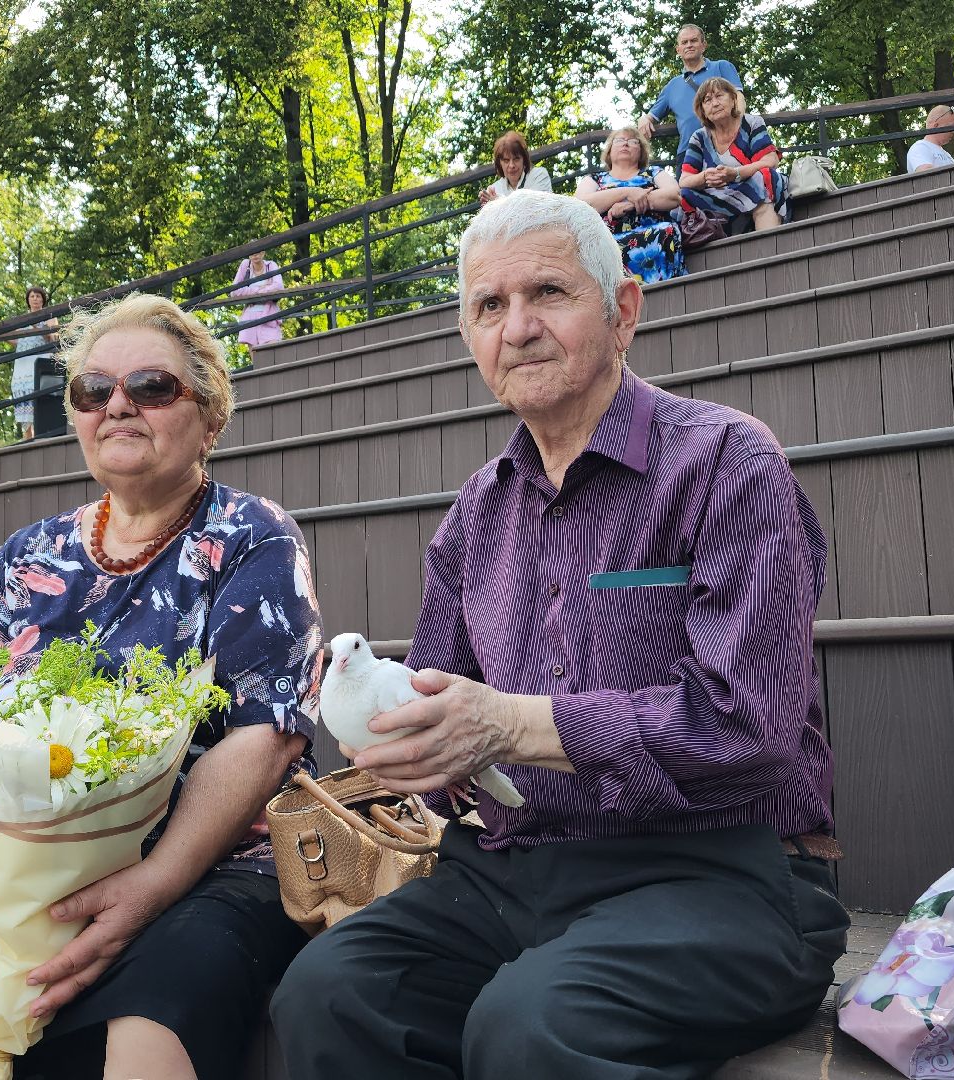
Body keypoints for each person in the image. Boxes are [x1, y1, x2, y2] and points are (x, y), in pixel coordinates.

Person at [271, 189, 845, 1080]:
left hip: (723, 875)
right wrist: (395, 739)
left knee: (528, 1029)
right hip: (510, 870)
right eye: (489, 307)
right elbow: (440, 712)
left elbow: (751, 729)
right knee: (327, 994)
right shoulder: (475, 516)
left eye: (549, 293)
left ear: (622, 312)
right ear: (470, 337)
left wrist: (510, 725)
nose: (519, 327)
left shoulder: (727, 462)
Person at [0, 293, 325, 1080]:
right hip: (18, 858)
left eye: (152, 387)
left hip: (208, 864)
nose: (118, 405)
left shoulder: (251, 536)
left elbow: (266, 733)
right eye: (92, 390)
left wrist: (152, 884)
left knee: (163, 1003)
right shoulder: (28, 553)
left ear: (210, 417)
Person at [575, 127, 687, 283]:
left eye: (633, 141)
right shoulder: (594, 179)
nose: (625, 144)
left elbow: (674, 196)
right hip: (607, 241)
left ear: (641, 151)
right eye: (620, 140)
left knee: (667, 230)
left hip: (655, 235)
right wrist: (627, 192)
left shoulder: (654, 172)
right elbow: (581, 205)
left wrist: (630, 205)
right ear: (609, 151)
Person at [679, 76, 788, 231]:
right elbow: (684, 180)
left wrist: (735, 174)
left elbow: (770, 161)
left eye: (719, 96)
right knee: (684, 195)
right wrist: (705, 177)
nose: (714, 103)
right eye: (707, 100)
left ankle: (769, 246)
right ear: (702, 109)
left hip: (749, 187)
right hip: (717, 196)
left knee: (766, 176)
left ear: (733, 99)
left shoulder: (751, 123)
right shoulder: (699, 137)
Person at [636, 24, 743, 153]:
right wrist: (644, 118)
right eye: (684, 42)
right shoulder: (672, 86)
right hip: (689, 151)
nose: (689, 45)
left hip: (726, 144)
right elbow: (651, 116)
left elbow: (738, 98)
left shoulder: (722, 67)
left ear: (703, 46)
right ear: (678, 50)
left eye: (694, 40)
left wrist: (737, 132)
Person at [12, 285, 62, 441]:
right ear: (28, 300)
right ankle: (27, 436)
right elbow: (14, 339)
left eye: (38, 296)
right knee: (24, 392)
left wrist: (38, 326)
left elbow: (53, 338)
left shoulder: (51, 317)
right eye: (32, 296)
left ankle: (44, 431)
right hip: (23, 361)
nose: (35, 299)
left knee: (41, 391)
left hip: (41, 360)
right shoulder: (21, 319)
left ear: (43, 299)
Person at [233, 251, 287, 353]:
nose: (255, 255)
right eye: (252, 253)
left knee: (273, 355)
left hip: (269, 316)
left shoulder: (271, 266)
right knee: (257, 362)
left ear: (263, 253)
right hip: (250, 318)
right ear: (249, 255)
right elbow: (235, 291)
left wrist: (251, 292)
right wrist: (261, 289)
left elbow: (279, 287)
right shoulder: (245, 265)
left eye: (258, 252)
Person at [479, 131, 553, 204]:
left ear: (524, 159)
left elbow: (538, 209)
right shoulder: (495, 189)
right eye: (506, 160)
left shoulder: (539, 176)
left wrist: (497, 204)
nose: (512, 165)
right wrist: (488, 206)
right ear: (499, 163)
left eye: (516, 159)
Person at [907, 105, 954, 172]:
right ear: (936, 126)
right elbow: (927, 175)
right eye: (951, 127)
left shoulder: (946, 154)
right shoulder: (920, 147)